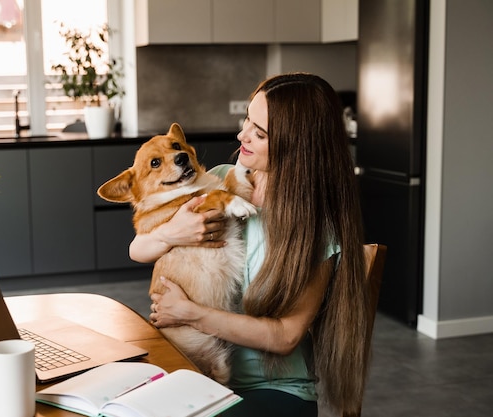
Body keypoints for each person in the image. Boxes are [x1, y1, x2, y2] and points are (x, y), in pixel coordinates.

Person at [129, 73, 369, 416]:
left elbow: (286, 337)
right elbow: (139, 246)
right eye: (246, 120)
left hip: (275, 390)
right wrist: (171, 233)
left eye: (259, 133)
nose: (242, 135)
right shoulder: (222, 179)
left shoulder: (315, 228)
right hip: (207, 377)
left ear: (296, 146)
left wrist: (191, 314)